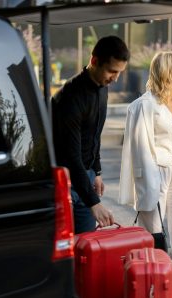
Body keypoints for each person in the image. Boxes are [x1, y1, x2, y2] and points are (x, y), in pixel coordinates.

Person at [118, 52, 172, 258]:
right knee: (153, 233)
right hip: (153, 173)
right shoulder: (144, 105)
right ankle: (153, 281)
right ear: (166, 69)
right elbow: (139, 148)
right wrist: (147, 181)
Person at [52, 35, 129, 233]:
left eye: (120, 72)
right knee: (67, 251)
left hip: (86, 178)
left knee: (87, 247)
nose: (115, 78)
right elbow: (71, 156)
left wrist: (97, 172)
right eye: (112, 71)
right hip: (66, 182)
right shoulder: (70, 97)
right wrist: (94, 202)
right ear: (94, 61)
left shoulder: (102, 88)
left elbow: (94, 136)